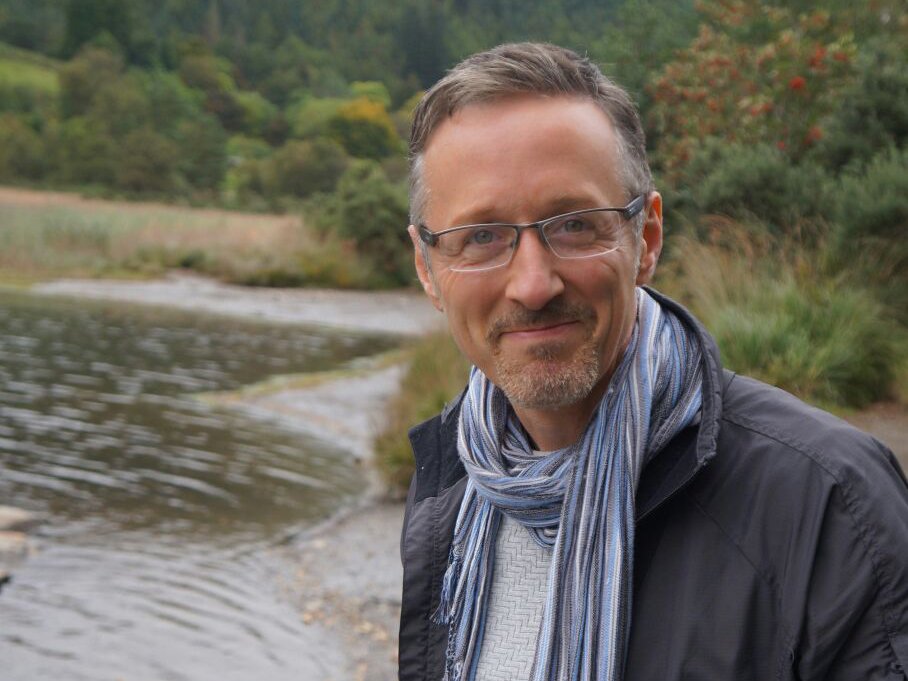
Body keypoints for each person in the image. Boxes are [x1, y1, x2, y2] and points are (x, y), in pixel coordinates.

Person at [398, 42, 908, 681]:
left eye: (575, 224)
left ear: (647, 238)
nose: (533, 285)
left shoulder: (828, 503)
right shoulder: (451, 479)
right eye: (481, 236)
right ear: (427, 267)